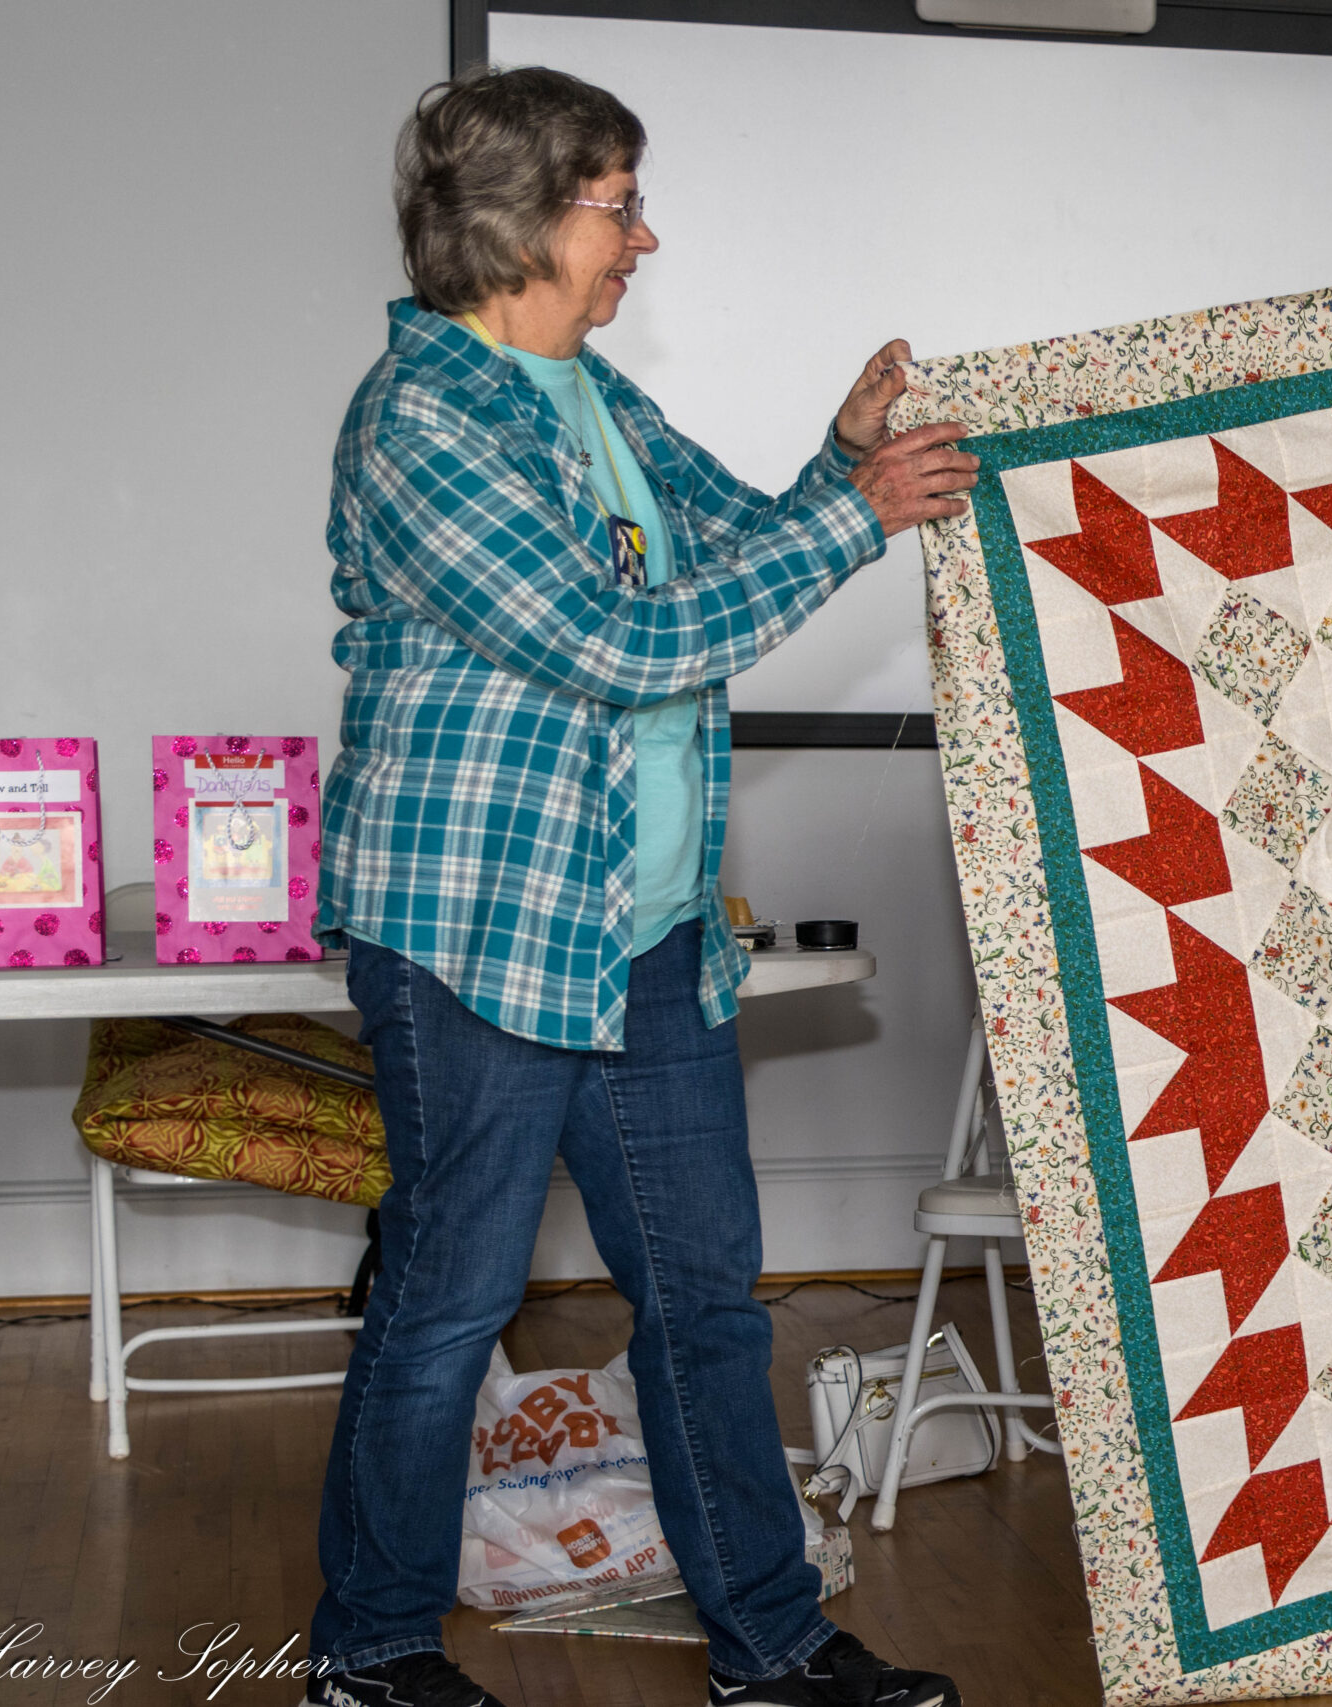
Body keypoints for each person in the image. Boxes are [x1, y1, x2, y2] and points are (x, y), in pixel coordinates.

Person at [307, 66, 979, 1707]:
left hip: (652, 940)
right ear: (523, 220)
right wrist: (854, 522)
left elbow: (743, 548)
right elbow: (619, 644)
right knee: (450, 1307)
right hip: (478, 941)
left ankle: (769, 1645)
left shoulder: (594, 398)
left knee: (706, 1304)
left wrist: (839, 464)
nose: (644, 239)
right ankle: (371, 1653)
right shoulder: (423, 422)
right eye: (620, 206)